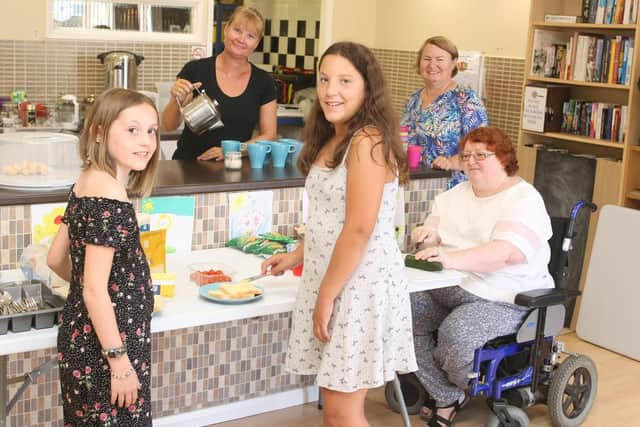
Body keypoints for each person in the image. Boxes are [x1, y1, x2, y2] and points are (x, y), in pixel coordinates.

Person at [261, 42, 417, 427]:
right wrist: (297, 255)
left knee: (342, 414)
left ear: (367, 87)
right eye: (325, 79)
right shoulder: (335, 137)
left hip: (356, 284)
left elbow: (360, 227)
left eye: (345, 81)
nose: (332, 91)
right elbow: (330, 218)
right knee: (336, 411)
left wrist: (326, 296)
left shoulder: (368, 141)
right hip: (335, 276)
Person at [409, 126, 553, 426]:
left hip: (503, 296)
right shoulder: (452, 197)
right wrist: (426, 238)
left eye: (481, 155)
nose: (471, 161)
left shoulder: (524, 199)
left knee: (456, 333)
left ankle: (466, 386)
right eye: (466, 155)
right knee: (398, 315)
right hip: (451, 286)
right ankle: (446, 394)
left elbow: (505, 253)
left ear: (503, 158)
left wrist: (449, 258)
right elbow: (433, 239)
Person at [47, 88, 160, 426]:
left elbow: (55, 259)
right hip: (108, 348)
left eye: (152, 130)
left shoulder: (87, 181)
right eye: (132, 130)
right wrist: (119, 362)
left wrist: (105, 293)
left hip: (85, 336)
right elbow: (94, 289)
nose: (146, 141)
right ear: (98, 131)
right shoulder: (110, 195)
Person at [162, 6, 277, 160]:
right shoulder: (194, 70)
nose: (241, 39)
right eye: (237, 30)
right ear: (225, 29)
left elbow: (269, 135)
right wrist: (176, 100)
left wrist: (233, 151)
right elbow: (168, 126)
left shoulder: (263, 82)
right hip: (188, 167)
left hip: (234, 170)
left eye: (250, 36)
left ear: (257, 43)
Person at [402, 36, 488, 189]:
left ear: (453, 63)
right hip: (415, 188)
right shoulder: (413, 100)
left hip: (451, 189)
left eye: (440, 59)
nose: (432, 65)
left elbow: (481, 147)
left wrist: (453, 162)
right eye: (427, 59)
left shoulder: (466, 100)